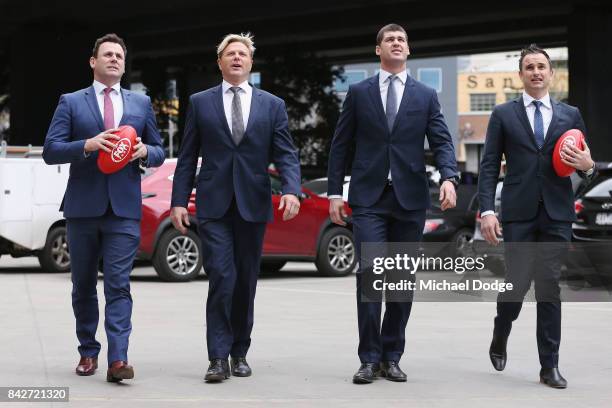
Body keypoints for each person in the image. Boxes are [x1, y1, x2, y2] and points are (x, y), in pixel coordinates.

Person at [327, 23, 459, 384]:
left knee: (401, 279)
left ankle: (392, 355)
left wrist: (449, 177)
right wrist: (335, 193)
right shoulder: (358, 93)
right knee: (371, 274)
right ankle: (368, 359)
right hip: (369, 198)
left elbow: (443, 141)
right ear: (378, 49)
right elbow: (340, 146)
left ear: (408, 50)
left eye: (401, 39)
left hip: (409, 199)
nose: (396, 43)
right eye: (390, 39)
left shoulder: (425, 95)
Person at [170, 33, 301, 383]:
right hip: (213, 204)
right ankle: (217, 357)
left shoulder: (271, 105)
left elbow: (285, 152)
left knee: (245, 281)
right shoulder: (200, 102)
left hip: (253, 203)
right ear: (220, 62)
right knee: (221, 277)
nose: (237, 58)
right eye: (230, 53)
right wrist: (178, 201)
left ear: (250, 62)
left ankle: (240, 352)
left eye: (243, 53)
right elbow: (186, 158)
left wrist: (292, 189)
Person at [43, 33, 165, 383]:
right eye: (107, 54)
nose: (114, 59)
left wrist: (145, 152)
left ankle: (118, 360)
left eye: (119, 56)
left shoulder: (141, 104)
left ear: (124, 64)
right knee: (82, 285)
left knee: (118, 284)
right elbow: (52, 149)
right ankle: (87, 352)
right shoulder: (71, 102)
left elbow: (158, 150)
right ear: (93, 62)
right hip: (82, 208)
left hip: (124, 208)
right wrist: (88, 144)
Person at [478, 44, 594, 389]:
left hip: (557, 212)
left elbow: (585, 162)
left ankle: (549, 366)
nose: (536, 72)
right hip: (518, 213)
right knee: (516, 284)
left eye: (541, 66)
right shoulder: (503, 114)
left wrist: (587, 168)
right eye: (529, 67)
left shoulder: (570, 115)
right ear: (521, 75)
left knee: (548, 286)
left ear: (551, 73)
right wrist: (486, 210)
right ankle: (502, 329)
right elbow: (487, 167)